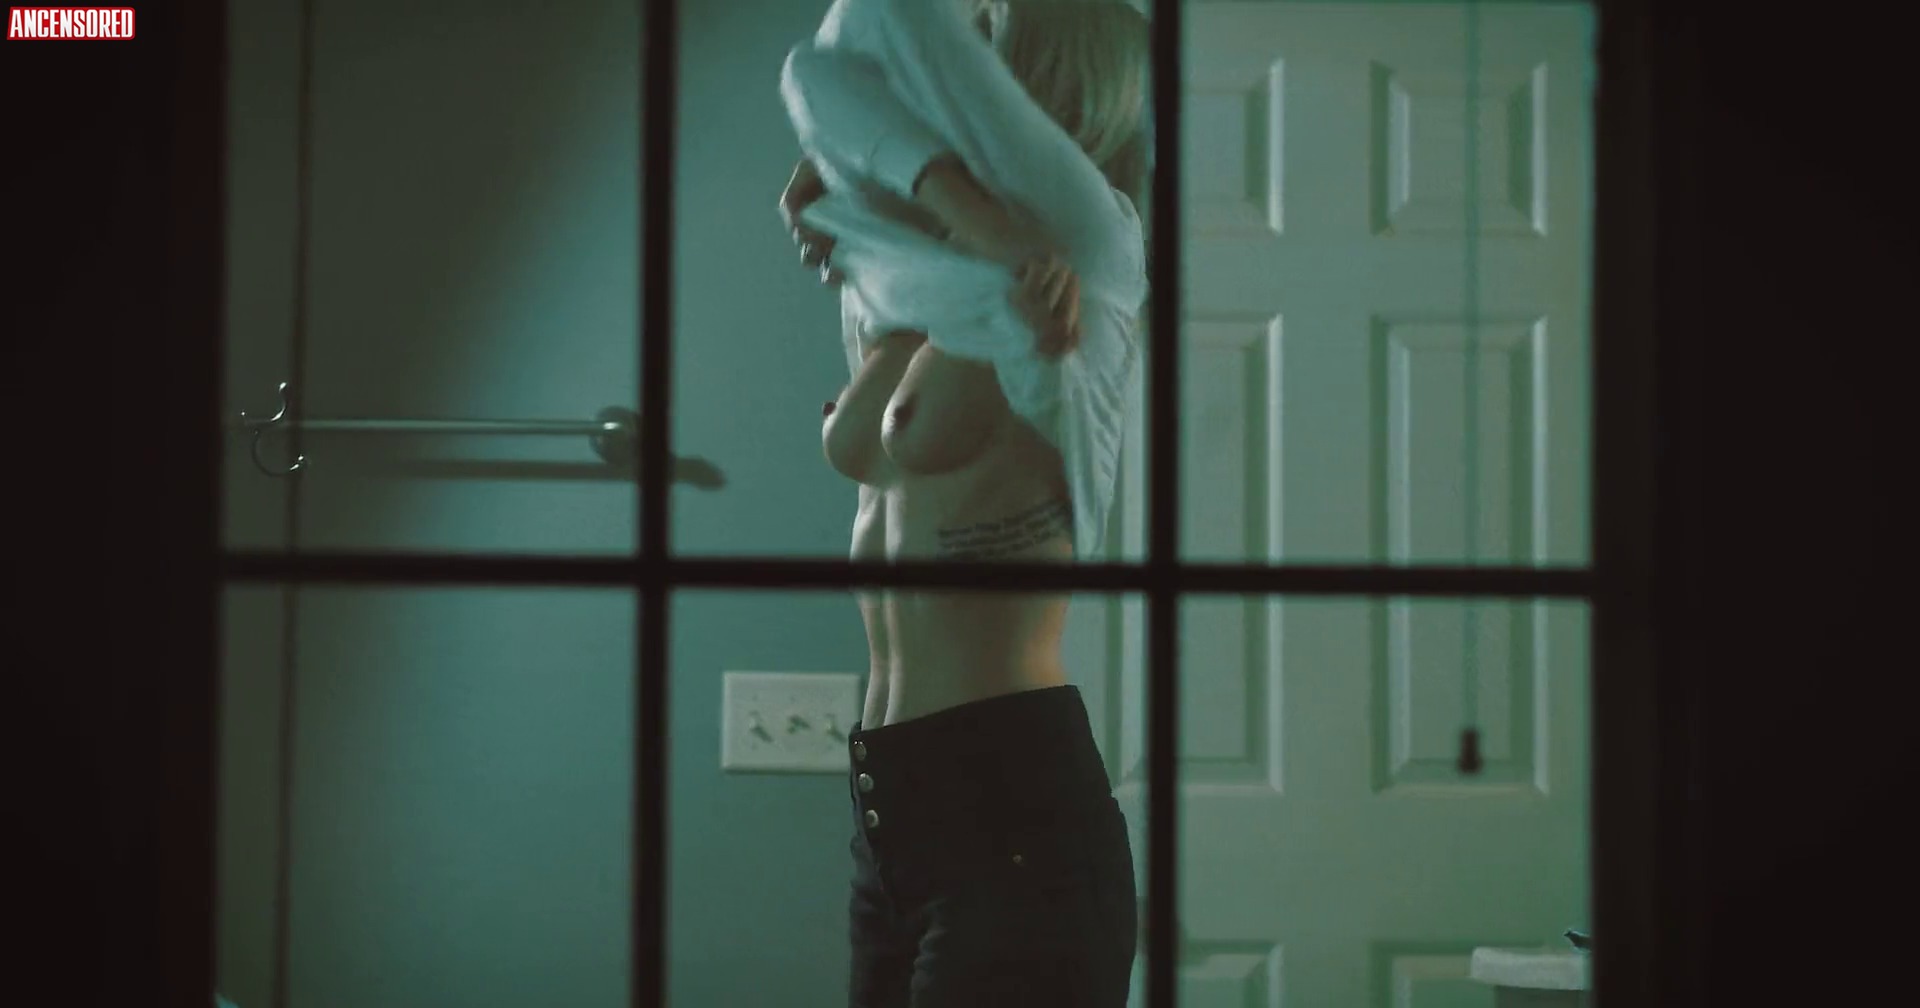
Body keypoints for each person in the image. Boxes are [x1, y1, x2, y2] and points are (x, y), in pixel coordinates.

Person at [776, 1, 1151, 1004]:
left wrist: (927, 192)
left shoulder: (1086, 248)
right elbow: (818, 74)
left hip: (1014, 819)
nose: (952, 60)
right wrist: (828, 173)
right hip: (891, 829)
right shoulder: (910, 274)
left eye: (986, 35)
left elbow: (881, 20)